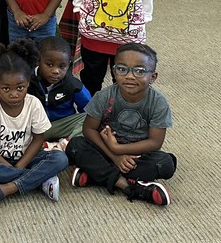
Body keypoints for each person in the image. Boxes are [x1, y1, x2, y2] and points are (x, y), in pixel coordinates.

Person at [65, 43, 176, 207]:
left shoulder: (158, 102)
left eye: (139, 71)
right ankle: (127, 186)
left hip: (137, 155)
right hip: (104, 151)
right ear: (114, 71)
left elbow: (155, 142)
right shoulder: (104, 96)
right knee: (75, 146)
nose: (130, 76)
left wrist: (118, 149)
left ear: (153, 77)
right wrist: (115, 156)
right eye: (122, 69)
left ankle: (96, 175)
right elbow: (88, 129)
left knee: (166, 163)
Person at [0, 40, 68, 209]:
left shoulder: (33, 103)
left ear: (28, 82)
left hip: (27, 158)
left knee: (60, 158)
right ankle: (39, 179)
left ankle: (7, 188)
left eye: (20, 88)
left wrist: (21, 164)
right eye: (6, 89)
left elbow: (38, 139)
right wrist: (7, 165)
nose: (14, 94)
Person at [26, 36, 90, 145]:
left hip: (62, 126)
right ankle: (46, 144)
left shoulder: (72, 84)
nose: (56, 71)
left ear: (68, 65)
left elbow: (88, 109)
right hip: (35, 129)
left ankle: (62, 144)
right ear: (38, 61)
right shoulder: (27, 80)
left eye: (62, 66)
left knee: (90, 118)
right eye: (49, 65)